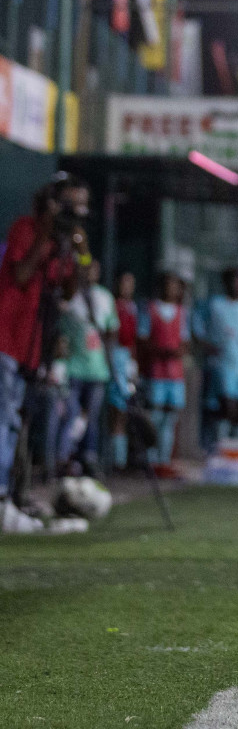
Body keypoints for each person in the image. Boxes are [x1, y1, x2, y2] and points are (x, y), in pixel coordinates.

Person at [0, 174, 90, 533]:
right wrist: (45, 233)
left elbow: (69, 290)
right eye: (69, 205)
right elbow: (22, 274)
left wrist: (79, 252)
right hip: (6, 339)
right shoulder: (26, 229)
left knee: (15, 424)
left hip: (31, 348)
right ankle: (3, 496)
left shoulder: (61, 244)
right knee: (4, 420)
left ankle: (11, 495)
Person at [58, 261, 117, 476]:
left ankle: (88, 458)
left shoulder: (105, 297)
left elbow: (111, 330)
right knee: (72, 415)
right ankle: (65, 458)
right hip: (73, 368)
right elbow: (61, 331)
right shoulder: (71, 296)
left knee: (90, 418)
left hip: (97, 369)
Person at [140, 272, 191, 472]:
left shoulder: (182, 312)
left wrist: (178, 351)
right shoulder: (151, 309)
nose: (172, 289)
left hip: (175, 374)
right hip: (156, 372)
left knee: (170, 417)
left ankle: (164, 460)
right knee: (155, 415)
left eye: (175, 286)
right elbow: (143, 339)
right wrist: (160, 350)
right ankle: (150, 459)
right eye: (168, 285)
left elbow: (185, 341)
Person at [203, 268, 238, 444]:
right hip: (222, 363)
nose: (236, 285)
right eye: (233, 281)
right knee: (226, 406)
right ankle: (221, 446)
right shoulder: (215, 304)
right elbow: (197, 326)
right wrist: (206, 345)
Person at [106, 270, 140, 470]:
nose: (127, 287)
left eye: (131, 283)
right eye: (124, 283)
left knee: (126, 410)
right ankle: (114, 460)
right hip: (115, 357)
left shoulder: (133, 307)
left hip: (127, 357)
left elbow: (133, 339)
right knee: (116, 410)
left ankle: (122, 458)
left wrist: (133, 364)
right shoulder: (113, 305)